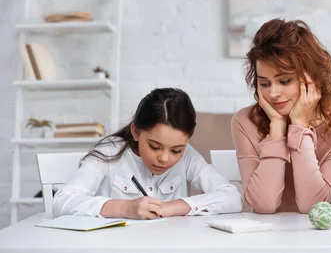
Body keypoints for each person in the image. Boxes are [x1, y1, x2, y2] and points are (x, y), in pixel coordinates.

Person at [231, 18, 331, 214]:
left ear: (311, 79)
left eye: (284, 81)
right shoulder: (245, 121)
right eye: (265, 83)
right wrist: (277, 129)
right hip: (262, 236)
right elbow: (264, 204)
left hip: (319, 236)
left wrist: (300, 127)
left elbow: (311, 206)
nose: (273, 93)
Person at [53, 88, 243, 219]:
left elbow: (232, 197)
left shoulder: (188, 157)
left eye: (176, 150)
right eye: (154, 146)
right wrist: (125, 208)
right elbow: (62, 202)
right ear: (136, 131)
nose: (165, 158)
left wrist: (174, 206)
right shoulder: (109, 152)